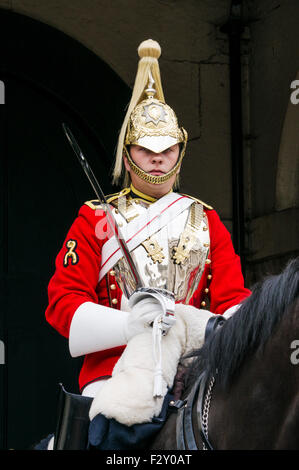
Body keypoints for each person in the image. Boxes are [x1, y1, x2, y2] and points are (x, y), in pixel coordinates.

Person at [45, 39, 251, 449]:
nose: (157, 158)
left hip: (195, 374)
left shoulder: (206, 219)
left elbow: (234, 301)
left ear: (180, 149)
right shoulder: (95, 217)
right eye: (146, 149)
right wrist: (130, 324)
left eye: (167, 149)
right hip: (113, 374)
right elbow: (63, 304)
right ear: (129, 153)